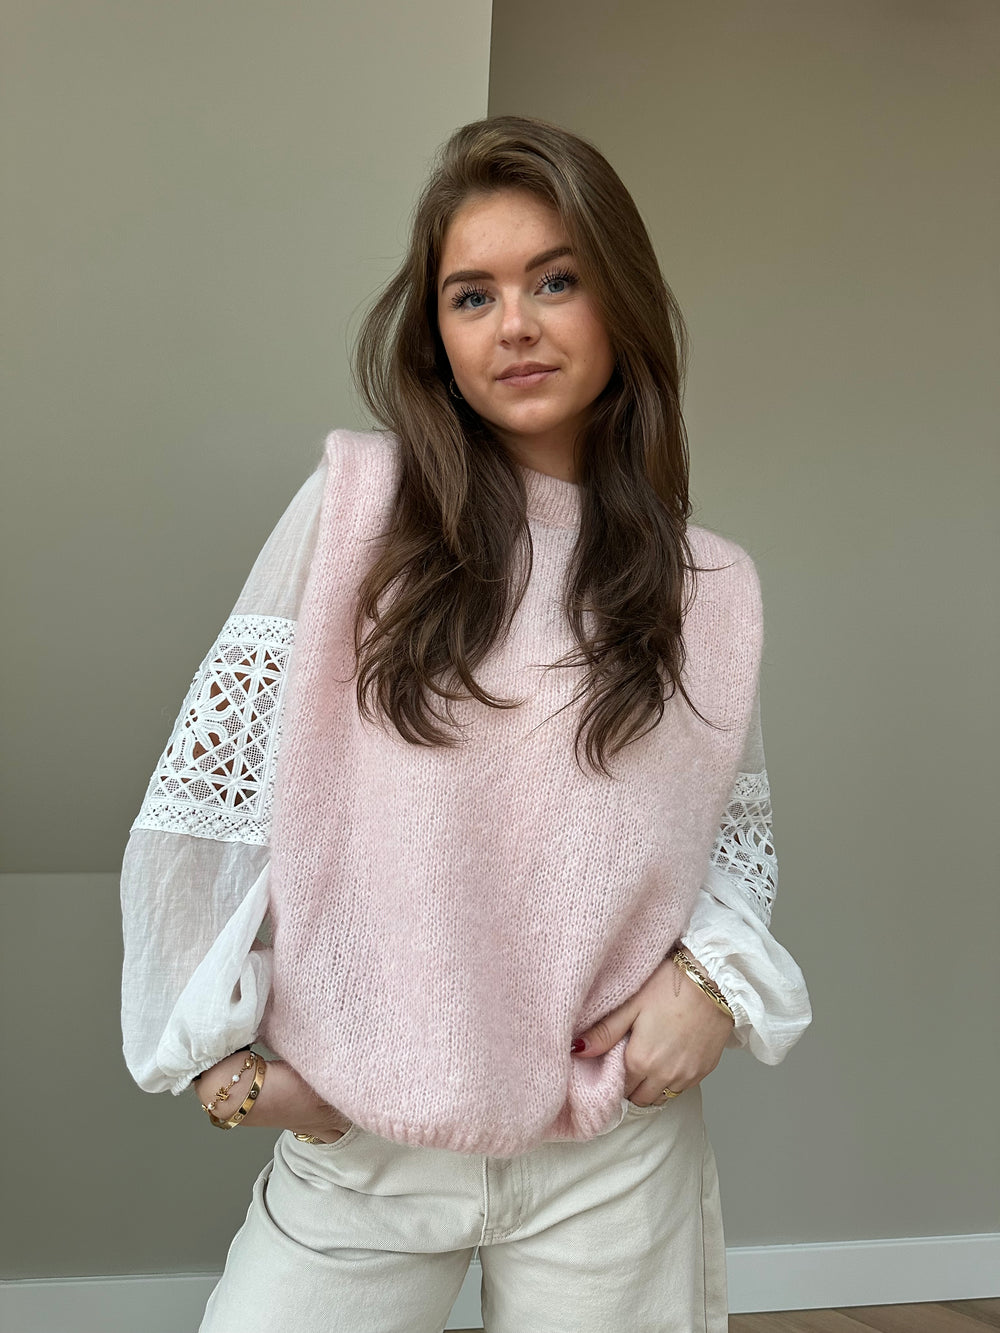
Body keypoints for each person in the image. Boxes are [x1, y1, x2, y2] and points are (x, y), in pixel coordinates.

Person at [120, 115, 810, 1333]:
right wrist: (217, 1066)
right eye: (471, 295)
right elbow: (206, 797)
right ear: (436, 337)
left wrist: (713, 981)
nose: (515, 324)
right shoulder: (358, 509)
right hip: (367, 1143)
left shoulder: (711, 590)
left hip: (610, 1156)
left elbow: (718, 850)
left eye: (556, 279)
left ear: (621, 301)